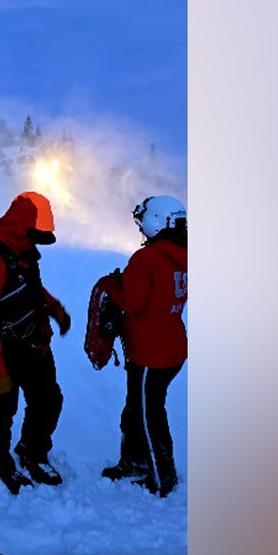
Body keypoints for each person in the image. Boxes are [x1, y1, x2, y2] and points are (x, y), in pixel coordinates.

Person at [0, 191, 72, 493]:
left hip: (36, 347)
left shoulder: (21, 251)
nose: (38, 240)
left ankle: (31, 451)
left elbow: (29, 288)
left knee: (49, 401)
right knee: (1, 409)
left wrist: (54, 308)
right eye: (36, 233)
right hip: (4, 352)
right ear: (23, 224)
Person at [99, 195, 188, 497]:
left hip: (151, 353)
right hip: (171, 345)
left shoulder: (147, 258)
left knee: (150, 414)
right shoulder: (183, 254)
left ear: (155, 222)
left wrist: (113, 286)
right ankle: (133, 462)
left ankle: (163, 476)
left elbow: (132, 303)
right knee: (136, 407)